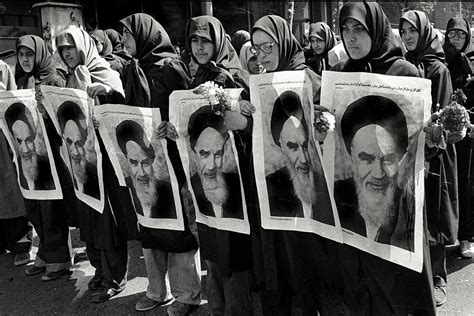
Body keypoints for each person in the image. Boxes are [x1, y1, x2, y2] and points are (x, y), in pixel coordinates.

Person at [328, 3, 436, 314]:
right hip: (356, 207)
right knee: (361, 285)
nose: (351, 37)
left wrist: (435, 136)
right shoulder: (339, 75)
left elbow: (422, 143)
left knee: (398, 289)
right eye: (346, 29)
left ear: (376, 29)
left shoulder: (404, 73)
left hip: (398, 204)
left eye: (359, 29)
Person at [250, 14, 334, 314]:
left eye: (268, 47)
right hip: (276, 194)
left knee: (305, 263)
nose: (261, 55)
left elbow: (330, 126)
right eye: (255, 48)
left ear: (283, 43)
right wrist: (245, 117)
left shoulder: (307, 79)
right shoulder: (258, 83)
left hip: (309, 197)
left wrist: (323, 128)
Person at [119, 13, 201, 314]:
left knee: (179, 227)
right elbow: (130, 107)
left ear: (143, 35)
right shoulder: (133, 68)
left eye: (126, 35)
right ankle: (156, 291)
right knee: (150, 224)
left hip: (173, 161)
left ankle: (187, 294)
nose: (122, 40)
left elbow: (189, 109)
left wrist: (172, 125)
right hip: (144, 162)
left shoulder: (171, 68)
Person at [55, 27, 138, 303]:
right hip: (84, 162)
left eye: (70, 47)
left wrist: (105, 93)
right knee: (89, 218)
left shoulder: (102, 70)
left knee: (109, 219)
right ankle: (100, 271)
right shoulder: (69, 76)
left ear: (81, 46)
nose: (66, 53)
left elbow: (122, 104)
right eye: (62, 48)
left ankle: (116, 276)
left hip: (106, 162)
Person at [185, 15, 253, 315]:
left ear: (218, 42)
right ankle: (217, 308)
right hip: (206, 181)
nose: (199, 47)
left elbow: (248, 127)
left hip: (232, 182)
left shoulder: (232, 77)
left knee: (233, 253)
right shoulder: (197, 76)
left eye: (206, 41)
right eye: (194, 40)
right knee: (212, 246)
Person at [400, 10, 458, 306]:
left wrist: (430, 142)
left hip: (435, 155)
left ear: (424, 33)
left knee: (433, 215)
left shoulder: (438, 70)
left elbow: (445, 117)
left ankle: (439, 278)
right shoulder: (401, 66)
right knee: (412, 214)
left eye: (413, 31)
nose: (408, 36)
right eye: (404, 31)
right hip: (408, 152)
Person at [15, 35, 73, 282]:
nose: (26, 59)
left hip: (50, 153)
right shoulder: (20, 80)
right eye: (21, 55)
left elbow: (65, 117)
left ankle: (59, 259)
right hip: (29, 154)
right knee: (34, 206)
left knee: (51, 207)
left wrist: (45, 112)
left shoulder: (53, 79)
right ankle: (45, 253)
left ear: (39, 54)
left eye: (30, 54)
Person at [335, 95, 413, 248]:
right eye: (367, 159)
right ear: (351, 154)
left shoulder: (408, 205)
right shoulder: (334, 195)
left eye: (388, 159)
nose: (378, 174)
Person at [267, 90, 334, 223]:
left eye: (305, 145)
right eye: (292, 147)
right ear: (280, 144)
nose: (303, 159)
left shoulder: (327, 184)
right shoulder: (271, 185)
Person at [443, 17, 474, 260]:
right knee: (443, 184)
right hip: (440, 136)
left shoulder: (471, 64)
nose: (455, 38)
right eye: (452, 33)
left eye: (460, 35)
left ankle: (466, 236)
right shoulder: (438, 62)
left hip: (466, 138)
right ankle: (444, 234)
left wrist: (466, 119)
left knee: (465, 183)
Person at [0, 59, 32, 268]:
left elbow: (10, 98)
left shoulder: (1, 67)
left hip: (2, 133)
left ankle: (21, 240)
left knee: (9, 184)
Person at [188, 106, 244, 220]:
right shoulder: (191, 186)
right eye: (204, 154)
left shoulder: (237, 184)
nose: (211, 166)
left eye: (218, 154)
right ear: (194, 150)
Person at [116, 120, 177, 219]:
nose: (142, 173)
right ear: (127, 161)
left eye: (145, 163)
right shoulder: (123, 191)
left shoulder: (167, 190)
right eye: (134, 163)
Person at [4, 102, 54, 190]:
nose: (25, 150)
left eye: (29, 140)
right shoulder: (9, 172)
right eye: (19, 142)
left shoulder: (47, 167)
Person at [57, 101, 100, 199]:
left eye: (79, 144)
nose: (75, 152)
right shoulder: (62, 173)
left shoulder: (93, 172)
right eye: (69, 142)